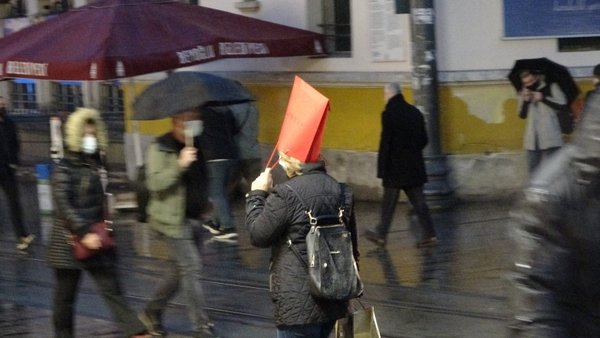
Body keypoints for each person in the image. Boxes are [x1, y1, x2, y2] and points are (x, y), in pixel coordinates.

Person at [46, 107, 149, 338]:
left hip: (97, 237)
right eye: (85, 134)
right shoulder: (64, 168)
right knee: (65, 298)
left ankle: (138, 332)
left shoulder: (96, 165)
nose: (89, 139)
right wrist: (83, 232)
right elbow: (64, 205)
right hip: (69, 241)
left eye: (93, 134)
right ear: (74, 136)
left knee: (112, 289)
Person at [510, 78, 600, 337]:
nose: (526, 79)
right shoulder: (550, 196)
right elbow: (535, 299)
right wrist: (528, 98)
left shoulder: (555, 86)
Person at [245, 152, 359, 338]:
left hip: (297, 304)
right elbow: (351, 247)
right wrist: (349, 294)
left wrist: (257, 195)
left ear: (290, 161)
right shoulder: (342, 191)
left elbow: (258, 235)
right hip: (334, 297)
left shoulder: (285, 194)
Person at [139, 109, 217, 338]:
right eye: (188, 118)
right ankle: (200, 327)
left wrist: (206, 202)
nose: (194, 122)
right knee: (191, 267)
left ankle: (151, 312)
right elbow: (155, 183)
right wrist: (180, 164)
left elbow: (201, 179)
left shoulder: (197, 146)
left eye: (196, 118)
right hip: (170, 220)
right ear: (176, 122)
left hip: (194, 218)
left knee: (179, 270)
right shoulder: (160, 147)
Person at [364, 82, 437, 249]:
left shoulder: (388, 114)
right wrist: (412, 153)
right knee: (419, 202)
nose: (384, 97)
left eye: (384, 94)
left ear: (390, 94)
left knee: (388, 203)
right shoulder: (415, 112)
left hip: (394, 168)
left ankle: (381, 234)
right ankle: (430, 234)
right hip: (414, 166)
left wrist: (382, 168)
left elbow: (386, 143)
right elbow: (424, 140)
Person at [199, 106, 239, 242]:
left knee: (216, 192)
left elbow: (195, 133)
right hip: (231, 154)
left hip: (214, 156)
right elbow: (235, 130)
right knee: (222, 191)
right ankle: (215, 222)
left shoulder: (202, 112)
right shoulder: (227, 111)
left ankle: (228, 227)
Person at [0, 96, 34, 250]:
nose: (3, 104)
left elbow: (15, 143)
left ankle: (22, 236)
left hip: (8, 169)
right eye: (0, 102)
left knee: (14, 203)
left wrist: (14, 162)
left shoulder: (9, 122)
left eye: (3, 102)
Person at [517, 69, 565, 173]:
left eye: (531, 81)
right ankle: (535, 189)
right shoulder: (523, 92)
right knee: (533, 169)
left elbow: (562, 105)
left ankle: (555, 189)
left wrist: (543, 98)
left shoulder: (551, 87)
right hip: (532, 137)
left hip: (550, 134)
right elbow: (522, 115)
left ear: (536, 77)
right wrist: (525, 101)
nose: (528, 84)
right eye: (526, 83)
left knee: (554, 169)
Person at [229, 101, 262, 195]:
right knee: (256, 188)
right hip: (254, 151)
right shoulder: (253, 108)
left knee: (229, 187)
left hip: (236, 152)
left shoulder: (231, 109)